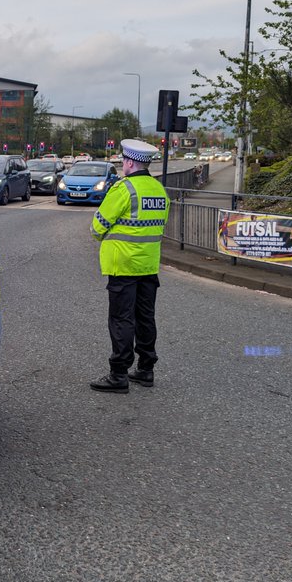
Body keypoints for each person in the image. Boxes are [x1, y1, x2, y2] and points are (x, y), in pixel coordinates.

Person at [89, 138, 170, 392]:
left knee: (122, 319)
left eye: (124, 160)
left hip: (123, 265)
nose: (123, 164)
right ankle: (146, 370)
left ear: (130, 162)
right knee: (145, 317)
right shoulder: (159, 189)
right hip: (148, 264)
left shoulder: (124, 189)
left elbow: (97, 226)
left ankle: (119, 374)